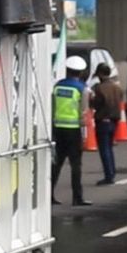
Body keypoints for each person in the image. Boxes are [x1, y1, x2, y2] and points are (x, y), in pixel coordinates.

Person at [51, 55, 91, 206]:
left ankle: (50, 195)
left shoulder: (58, 86)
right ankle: (77, 197)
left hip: (58, 129)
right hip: (74, 130)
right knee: (76, 165)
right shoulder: (82, 89)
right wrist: (84, 132)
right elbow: (84, 111)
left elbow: (53, 105)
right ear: (80, 72)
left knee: (56, 164)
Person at [90, 63, 123, 185]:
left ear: (100, 74)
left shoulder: (99, 88)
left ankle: (108, 176)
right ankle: (112, 172)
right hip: (115, 120)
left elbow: (96, 104)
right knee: (109, 148)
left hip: (103, 120)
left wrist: (91, 100)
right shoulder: (117, 87)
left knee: (104, 149)